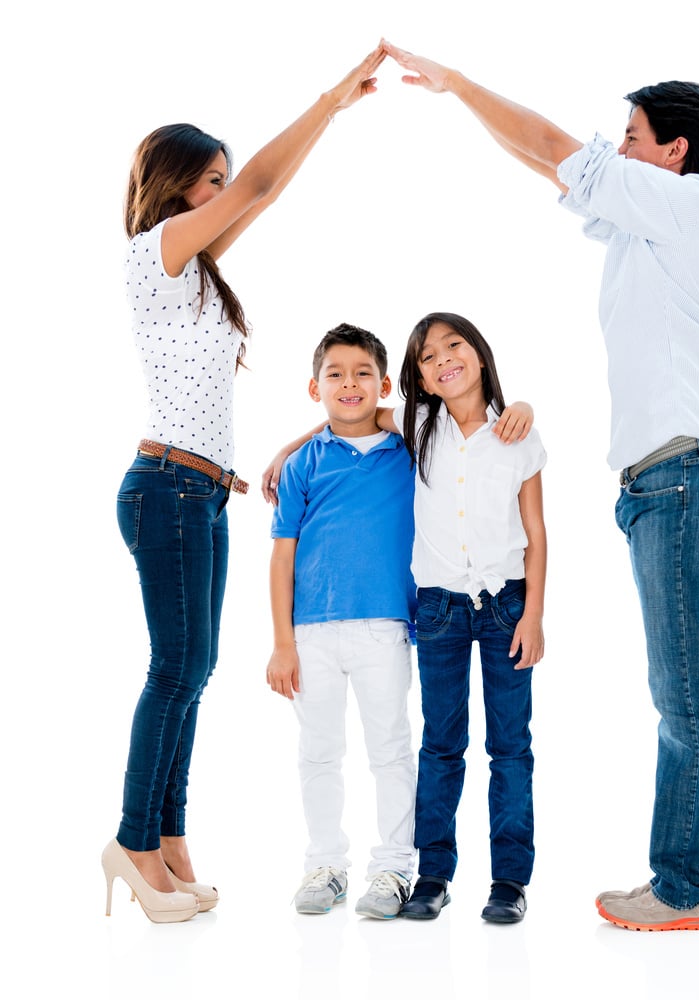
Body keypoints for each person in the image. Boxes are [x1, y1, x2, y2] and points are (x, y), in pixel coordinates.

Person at [382, 41, 699, 932]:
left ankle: (689, 889)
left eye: (630, 135)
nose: (613, 148)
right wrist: (477, 115)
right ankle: (686, 881)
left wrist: (458, 83)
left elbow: (552, 145)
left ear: (674, 151)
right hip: (661, 481)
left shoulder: (694, 202)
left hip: (681, 475)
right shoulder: (646, 221)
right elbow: (551, 164)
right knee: (681, 689)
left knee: (686, 693)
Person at [103, 46, 387, 925]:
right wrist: (331, 100)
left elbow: (264, 190)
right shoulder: (155, 253)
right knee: (174, 667)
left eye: (223, 179)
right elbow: (260, 187)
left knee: (194, 670)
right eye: (209, 180)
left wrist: (306, 432)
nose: (223, 193)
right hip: (166, 490)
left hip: (202, 493)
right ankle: (131, 842)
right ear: (175, 184)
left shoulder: (197, 268)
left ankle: (169, 839)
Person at [377, 312, 547, 924]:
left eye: (454, 345)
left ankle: (508, 882)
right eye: (427, 356)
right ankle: (433, 875)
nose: (443, 359)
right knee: (441, 746)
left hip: (505, 605)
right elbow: (349, 414)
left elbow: (535, 533)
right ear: (419, 376)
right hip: (440, 609)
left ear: (479, 352)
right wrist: (291, 449)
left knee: (510, 748)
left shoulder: (517, 432)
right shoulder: (417, 424)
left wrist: (533, 615)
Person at [265, 323, 418, 920]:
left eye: (362, 374)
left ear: (382, 385)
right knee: (319, 752)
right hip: (312, 633)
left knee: (391, 750)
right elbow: (282, 557)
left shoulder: (408, 448)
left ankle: (392, 870)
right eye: (335, 374)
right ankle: (324, 866)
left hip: (385, 626)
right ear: (314, 386)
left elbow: (425, 416)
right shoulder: (304, 465)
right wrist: (283, 643)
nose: (348, 384)